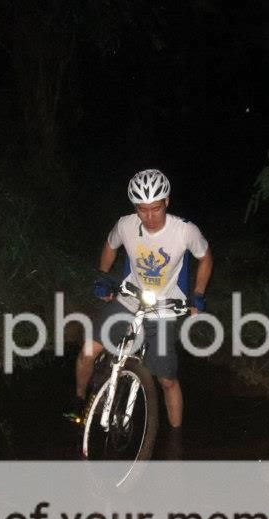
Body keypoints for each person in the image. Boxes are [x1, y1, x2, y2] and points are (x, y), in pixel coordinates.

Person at [69, 169, 213, 438]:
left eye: (156, 209)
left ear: (167, 201)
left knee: (167, 380)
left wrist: (198, 293)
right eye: (142, 209)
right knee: (88, 351)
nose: (149, 217)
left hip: (165, 308)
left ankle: (176, 441)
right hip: (129, 299)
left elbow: (205, 257)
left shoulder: (185, 230)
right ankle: (78, 398)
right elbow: (110, 245)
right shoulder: (125, 225)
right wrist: (103, 277)